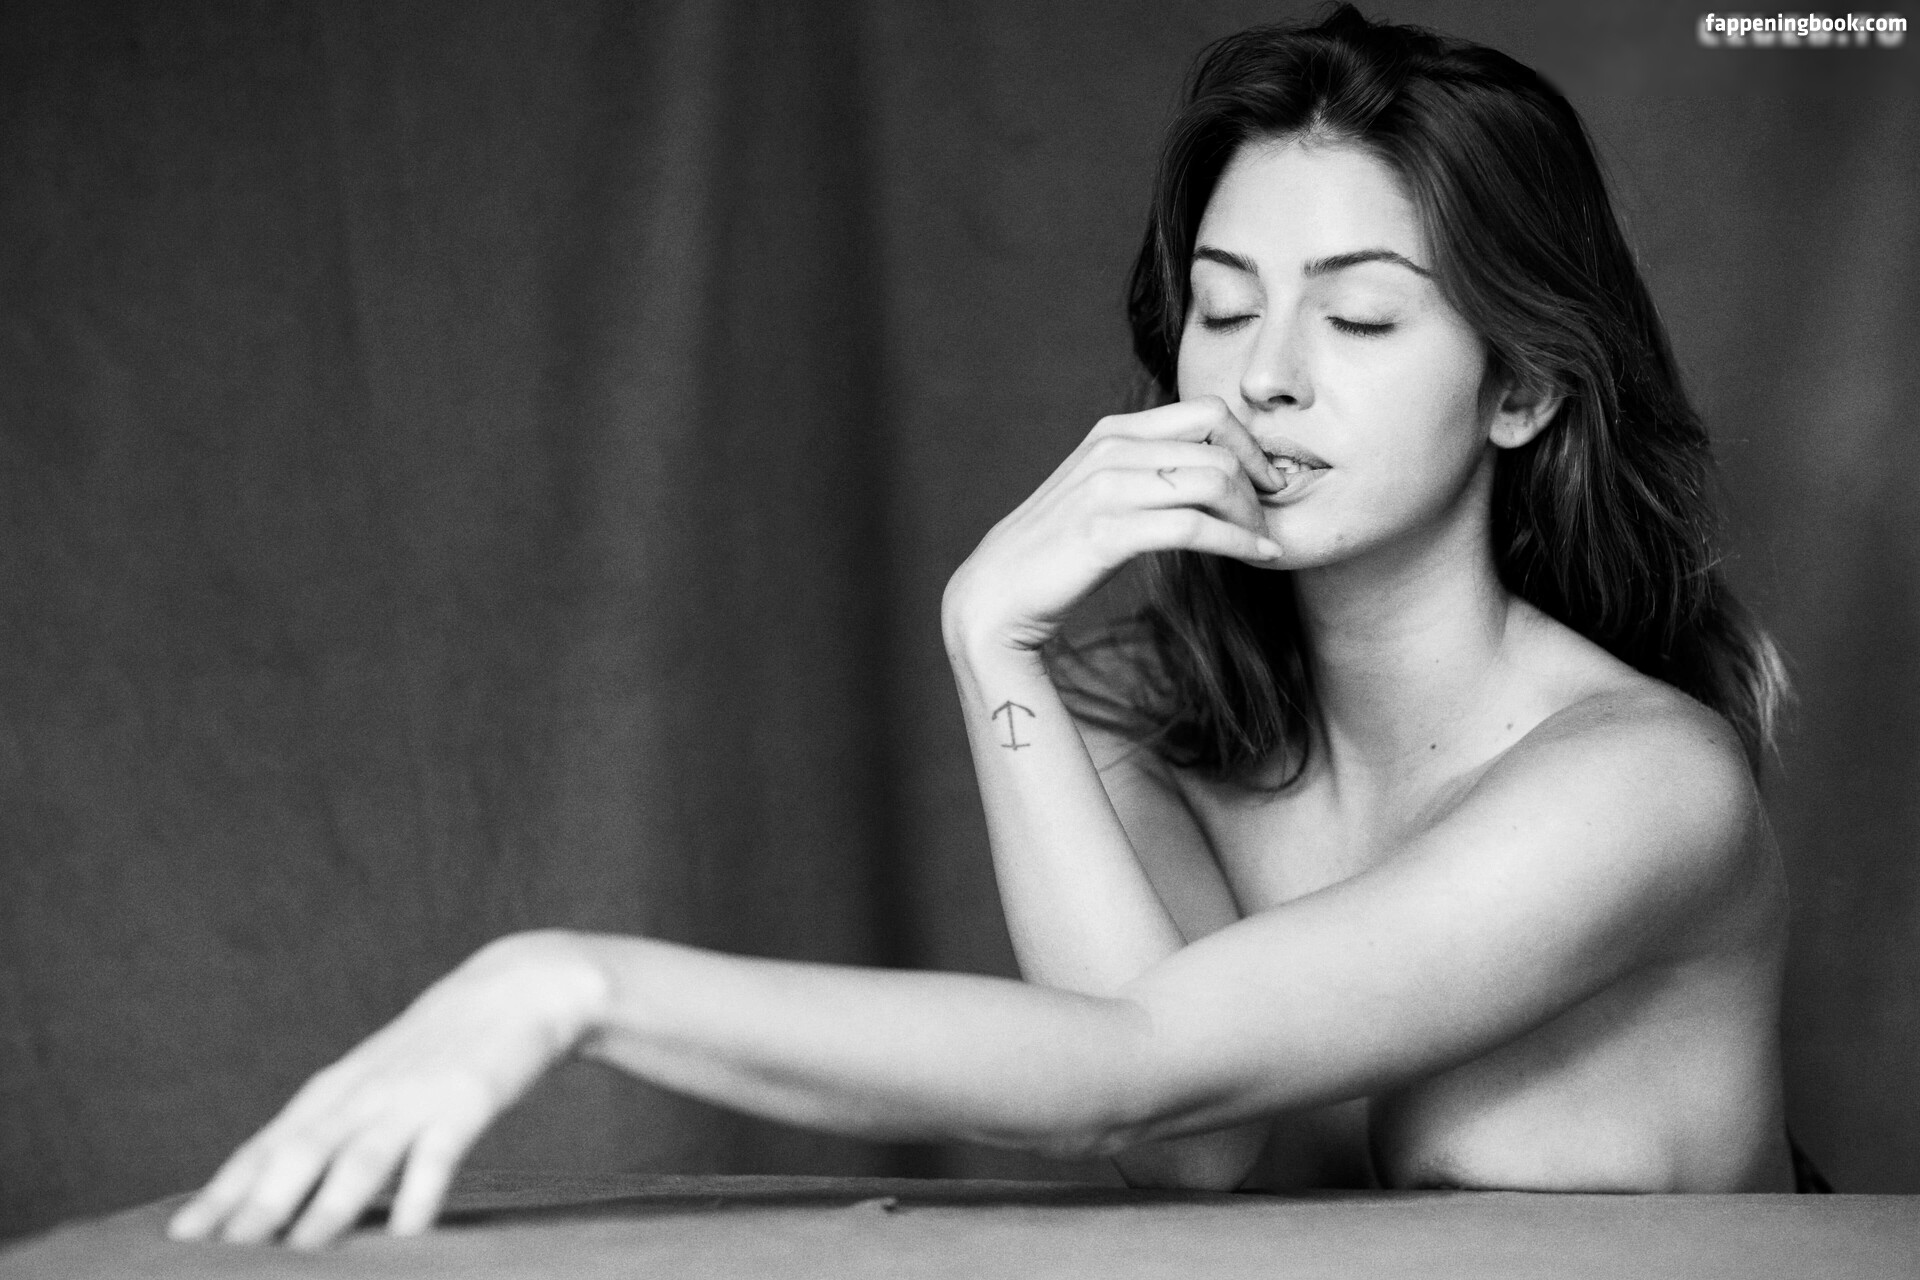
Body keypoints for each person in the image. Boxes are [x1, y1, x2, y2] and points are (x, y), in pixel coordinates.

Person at [167, 4, 1799, 1250]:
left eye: (1360, 315)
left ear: (1523, 388)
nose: (1266, 375)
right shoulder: (1162, 722)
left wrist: (569, 983)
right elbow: (1192, 1152)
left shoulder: (1642, 785)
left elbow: (1150, 1063)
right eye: (1224, 306)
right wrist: (992, 642)